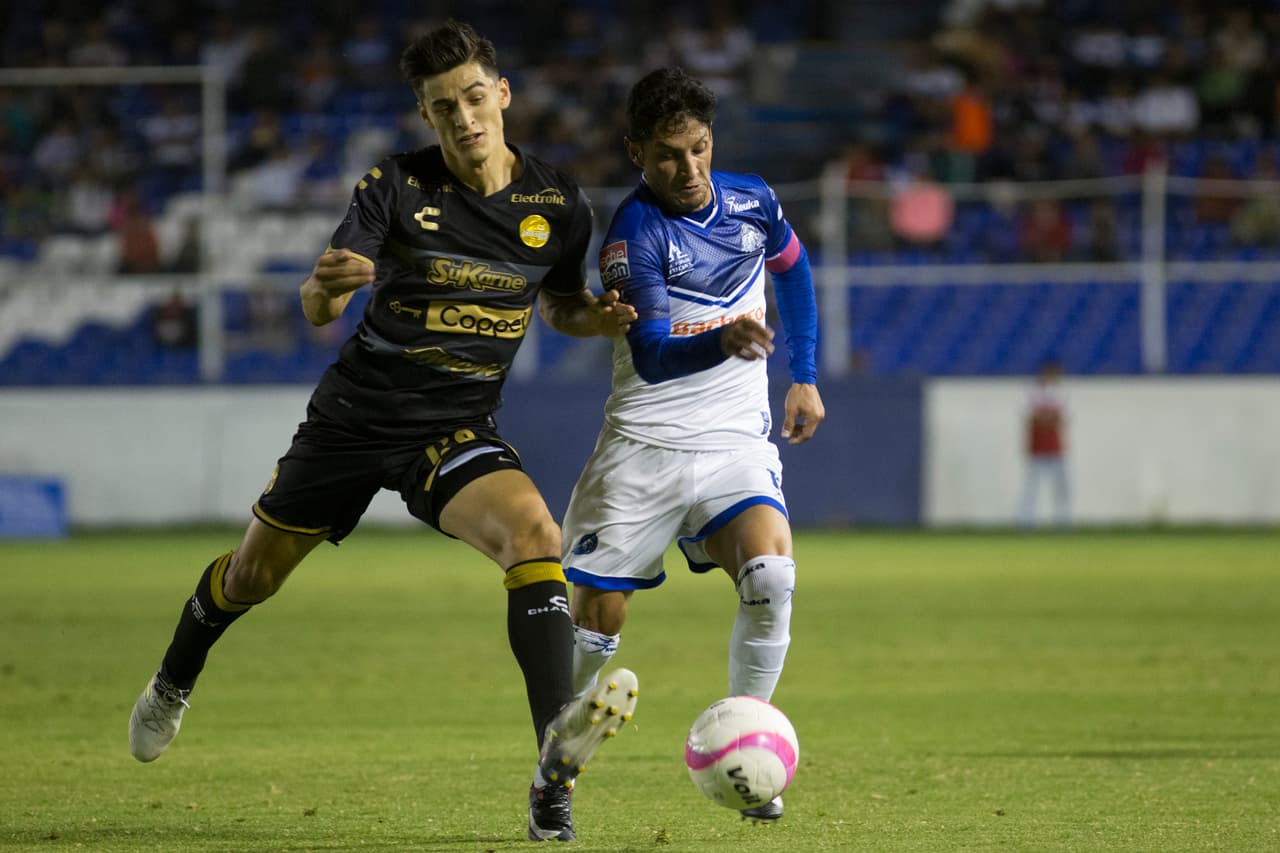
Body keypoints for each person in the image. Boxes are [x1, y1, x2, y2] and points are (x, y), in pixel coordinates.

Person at [127, 21, 639, 844]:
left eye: (475, 98)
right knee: (253, 576)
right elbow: (321, 300)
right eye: (444, 108)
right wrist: (322, 290)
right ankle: (174, 678)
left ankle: (553, 767)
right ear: (427, 117)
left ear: (502, 96)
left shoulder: (557, 204)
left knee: (537, 534)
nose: (464, 118)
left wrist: (602, 319)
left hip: (452, 425)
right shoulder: (396, 186)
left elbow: (562, 304)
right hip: (354, 419)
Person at [559, 67, 824, 824]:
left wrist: (801, 375)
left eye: (701, 149)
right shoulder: (632, 235)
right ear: (636, 150)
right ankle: (556, 758)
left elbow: (794, 272)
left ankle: (748, 749)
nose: (690, 169)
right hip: (643, 446)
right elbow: (650, 355)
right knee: (594, 627)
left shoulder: (753, 199)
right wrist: (724, 340)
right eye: (670, 155)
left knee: (772, 573)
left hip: (732, 440)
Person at [1017, 359, 1070, 528]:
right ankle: (1026, 523)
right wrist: (1048, 419)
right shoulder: (1031, 392)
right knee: (1031, 488)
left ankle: (1063, 523)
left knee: (1062, 489)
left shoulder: (1060, 393)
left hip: (1056, 448)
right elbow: (1031, 418)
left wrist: (1043, 419)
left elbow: (1060, 420)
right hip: (1037, 448)